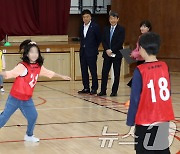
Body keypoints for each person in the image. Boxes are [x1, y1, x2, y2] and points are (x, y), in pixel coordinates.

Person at [0, 41, 71, 142]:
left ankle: (29, 135)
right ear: (27, 54)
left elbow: (49, 73)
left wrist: (61, 76)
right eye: (32, 52)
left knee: (33, 116)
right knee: (3, 118)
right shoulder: (22, 66)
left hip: (27, 99)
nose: (34, 54)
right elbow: (9, 74)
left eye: (36, 52)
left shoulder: (38, 66)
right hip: (15, 97)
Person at [126, 32, 174, 154]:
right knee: (161, 149)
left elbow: (135, 99)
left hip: (145, 120)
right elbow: (168, 92)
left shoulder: (140, 70)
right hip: (163, 118)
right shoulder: (164, 66)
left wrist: (131, 121)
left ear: (141, 49)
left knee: (144, 150)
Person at [97, 11, 125, 97]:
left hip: (116, 54)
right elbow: (104, 40)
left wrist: (112, 50)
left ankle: (114, 91)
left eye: (114, 18)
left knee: (116, 73)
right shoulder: (105, 29)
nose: (112, 20)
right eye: (111, 18)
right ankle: (103, 90)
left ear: (117, 19)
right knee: (104, 72)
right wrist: (107, 49)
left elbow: (120, 42)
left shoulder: (121, 29)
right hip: (107, 54)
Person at [78, 9, 101, 95]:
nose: (85, 18)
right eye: (84, 17)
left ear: (90, 17)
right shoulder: (81, 26)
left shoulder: (95, 26)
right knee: (84, 70)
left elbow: (98, 39)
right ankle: (86, 87)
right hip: (83, 52)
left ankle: (94, 88)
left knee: (93, 70)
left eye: (87, 17)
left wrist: (94, 48)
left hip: (92, 52)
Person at [127, 20, 152, 87]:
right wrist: (132, 53)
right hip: (139, 60)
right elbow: (137, 48)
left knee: (139, 79)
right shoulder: (140, 37)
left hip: (145, 60)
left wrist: (134, 54)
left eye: (144, 27)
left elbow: (143, 50)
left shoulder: (148, 37)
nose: (141, 28)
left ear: (148, 28)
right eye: (141, 26)